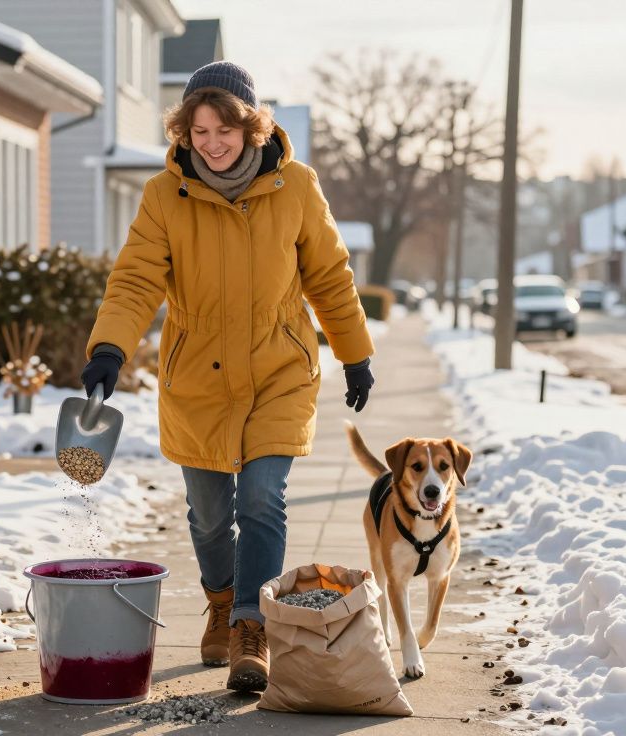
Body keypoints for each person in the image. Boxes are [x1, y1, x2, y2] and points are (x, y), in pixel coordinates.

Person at [80, 61, 376, 692]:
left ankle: (251, 626)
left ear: (252, 127)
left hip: (278, 369)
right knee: (210, 514)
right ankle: (220, 601)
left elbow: (328, 275)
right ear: (185, 132)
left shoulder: (296, 185)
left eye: (225, 129)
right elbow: (135, 279)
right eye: (199, 130)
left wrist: (355, 353)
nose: (212, 143)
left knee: (264, 497)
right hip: (197, 377)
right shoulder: (166, 195)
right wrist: (109, 349)